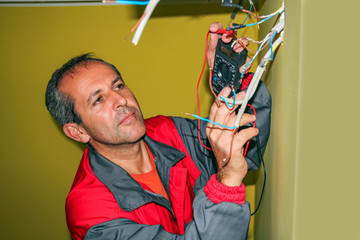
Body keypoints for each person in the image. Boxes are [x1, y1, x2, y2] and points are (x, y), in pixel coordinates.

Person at [45, 23, 271, 240]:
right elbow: (228, 172)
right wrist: (227, 180)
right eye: (98, 100)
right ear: (77, 131)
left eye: (118, 86)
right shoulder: (91, 214)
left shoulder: (167, 131)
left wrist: (231, 82)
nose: (121, 100)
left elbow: (248, 150)